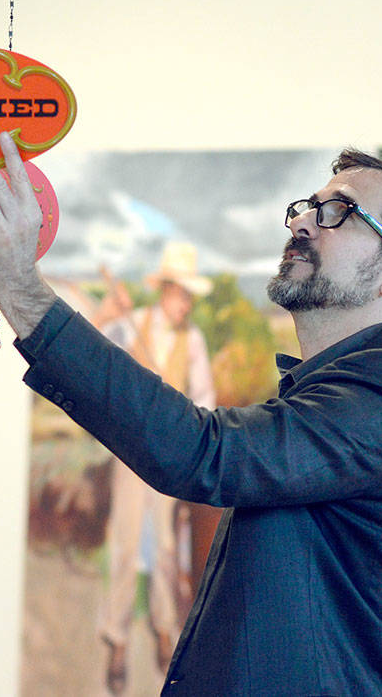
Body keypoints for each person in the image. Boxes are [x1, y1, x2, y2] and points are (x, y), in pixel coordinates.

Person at [0, 134, 382, 696]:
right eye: (306, 208)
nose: (303, 224)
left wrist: (22, 293)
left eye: (339, 212)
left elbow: (203, 452)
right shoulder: (334, 391)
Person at [95, 244, 217, 693]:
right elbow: (95, 355)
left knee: (166, 548)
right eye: (179, 293)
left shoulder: (194, 340)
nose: (184, 302)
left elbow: (206, 398)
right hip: (130, 454)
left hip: (168, 460)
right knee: (126, 542)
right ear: (165, 290)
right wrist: (110, 311)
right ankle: (117, 638)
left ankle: (165, 629)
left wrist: (187, 423)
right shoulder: (135, 325)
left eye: (189, 295)